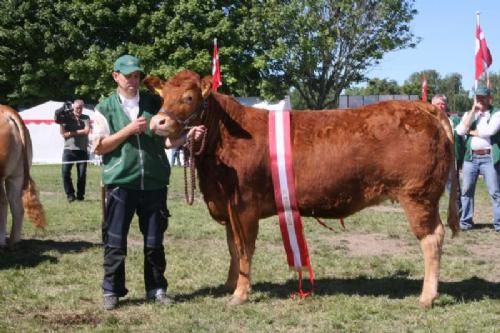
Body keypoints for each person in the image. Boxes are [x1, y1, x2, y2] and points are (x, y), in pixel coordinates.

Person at [91, 54, 205, 310]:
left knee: (154, 242)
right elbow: (99, 147)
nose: (133, 80)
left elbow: (166, 141)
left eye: (136, 75)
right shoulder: (104, 108)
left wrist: (186, 137)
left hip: (154, 182)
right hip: (120, 182)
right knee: (115, 240)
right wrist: (129, 130)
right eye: (127, 75)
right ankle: (112, 290)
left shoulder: (155, 102)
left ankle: (157, 288)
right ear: (115, 76)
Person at [455, 86, 500, 232]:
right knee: (466, 191)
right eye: (477, 97)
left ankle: (498, 224)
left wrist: (472, 131)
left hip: (489, 157)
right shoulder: (470, 114)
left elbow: (490, 131)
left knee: (495, 192)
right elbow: (460, 131)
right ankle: (466, 223)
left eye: (482, 97)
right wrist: (473, 112)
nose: (479, 99)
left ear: (489, 98)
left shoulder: (496, 113)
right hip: (471, 157)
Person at [431, 94, 463, 214]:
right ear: (432, 105)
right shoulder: (427, 120)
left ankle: (458, 216)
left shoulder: (453, 120)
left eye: (443, 104)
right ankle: (433, 217)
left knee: (454, 190)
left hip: (450, 159)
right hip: (433, 161)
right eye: (438, 104)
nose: (441, 106)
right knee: (433, 190)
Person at [60, 99, 90, 202]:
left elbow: (86, 131)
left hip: (82, 150)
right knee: (65, 173)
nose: (79, 110)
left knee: (81, 175)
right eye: (77, 108)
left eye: (81, 108)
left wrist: (72, 133)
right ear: (73, 107)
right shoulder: (67, 118)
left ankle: (80, 196)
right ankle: (70, 194)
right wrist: (62, 124)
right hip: (69, 149)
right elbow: (63, 133)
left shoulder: (86, 118)